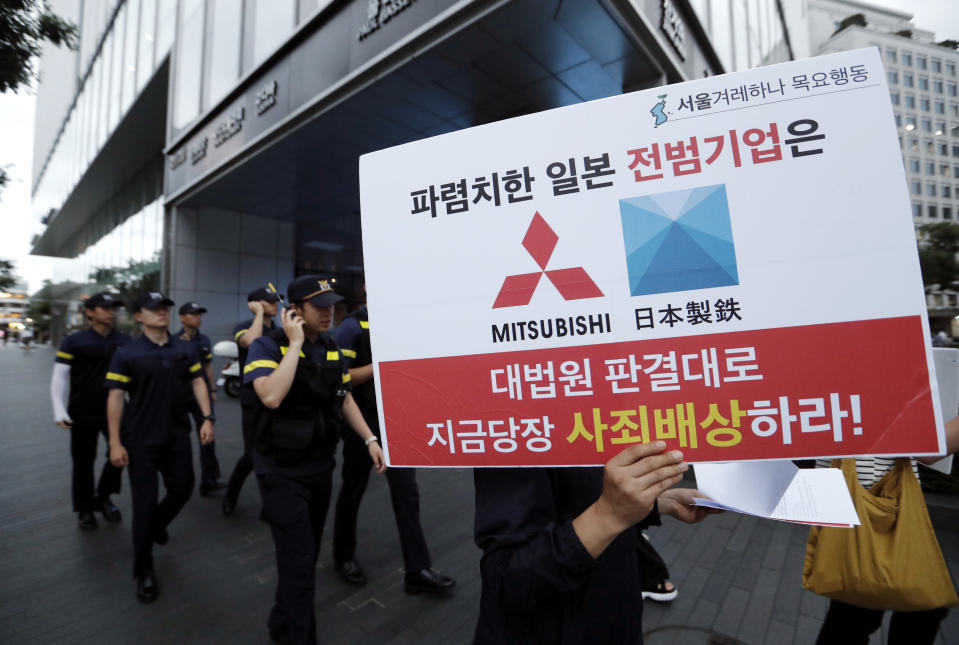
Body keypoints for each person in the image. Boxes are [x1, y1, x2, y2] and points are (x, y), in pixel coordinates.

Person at [244, 275, 385, 645]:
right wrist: (293, 346)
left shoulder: (331, 348)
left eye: (333, 305)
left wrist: (369, 438)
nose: (330, 313)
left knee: (301, 561)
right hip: (279, 472)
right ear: (296, 311)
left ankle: (280, 620)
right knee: (300, 563)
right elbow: (271, 397)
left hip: (320, 468)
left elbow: (344, 397)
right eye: (320, 306)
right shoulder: (265, 346)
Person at [473, 442, 717, 644]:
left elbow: (581, 500)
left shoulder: (593, 411)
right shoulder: (516, 431)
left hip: (614, 616)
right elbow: (508, 581)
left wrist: (657, 503)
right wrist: (610, 514)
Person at [332, 294, 455, 593]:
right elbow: (340, 378)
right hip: (362, 424)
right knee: (354, 488)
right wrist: (381, 366)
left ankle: (417, 570)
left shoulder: (400, 323)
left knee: (407, 493)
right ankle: (343, 556)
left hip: (397, 421)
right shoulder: (351, 328)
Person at [106, 291, 215, 603]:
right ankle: (144, 571)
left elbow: (198, 381)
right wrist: (115, 442)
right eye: (154, 309)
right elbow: (114, 397)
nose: (161, 312)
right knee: (143, 504)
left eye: (165, 307)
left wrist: (207, 418)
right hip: (140, 441)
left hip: (177, 435)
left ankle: (156, 524)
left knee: (183, 488)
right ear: (139, 316)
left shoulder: (185, 347)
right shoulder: (126, 353)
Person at [814, 415, 959, 645]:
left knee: (853, 613)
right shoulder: (888, 381)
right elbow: (930, 450)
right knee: (921, 604)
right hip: (875, 498)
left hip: (843, 489)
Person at [50, 292, 131, 530]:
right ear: (89, 312)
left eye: (113, 308)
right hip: (83, 410)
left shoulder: (125, 341)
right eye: (104, 308)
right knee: (83, 462)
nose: (110, 311)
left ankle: (103, 496)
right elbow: (59, 376)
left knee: (119, 455)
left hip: (116, 410)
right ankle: (84, 508)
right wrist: (58, 409)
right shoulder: (74, 341)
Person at [222, 286, 280, 516]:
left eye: (276, 300)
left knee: (273, 451)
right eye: (269, 301)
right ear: (255, 304)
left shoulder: (278, 329)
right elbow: (251, 342)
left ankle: (270, 505)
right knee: (252, 454)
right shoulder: (243, 327)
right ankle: (230, 496)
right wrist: (257, 315)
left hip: (275, 396)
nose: (275, 304)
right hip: (253, 400)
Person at [176, 301, 224, 496]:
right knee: (179, 439)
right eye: (193, 314)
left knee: (207, 437)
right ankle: (180, 481)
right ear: (182, 318)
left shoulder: (204, 340)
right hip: (180, 395)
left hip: (201, 396)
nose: (198, 318)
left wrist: (212, 390)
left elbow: (208, 367)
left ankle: (209, 479)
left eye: (199, 314)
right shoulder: (174, 340)